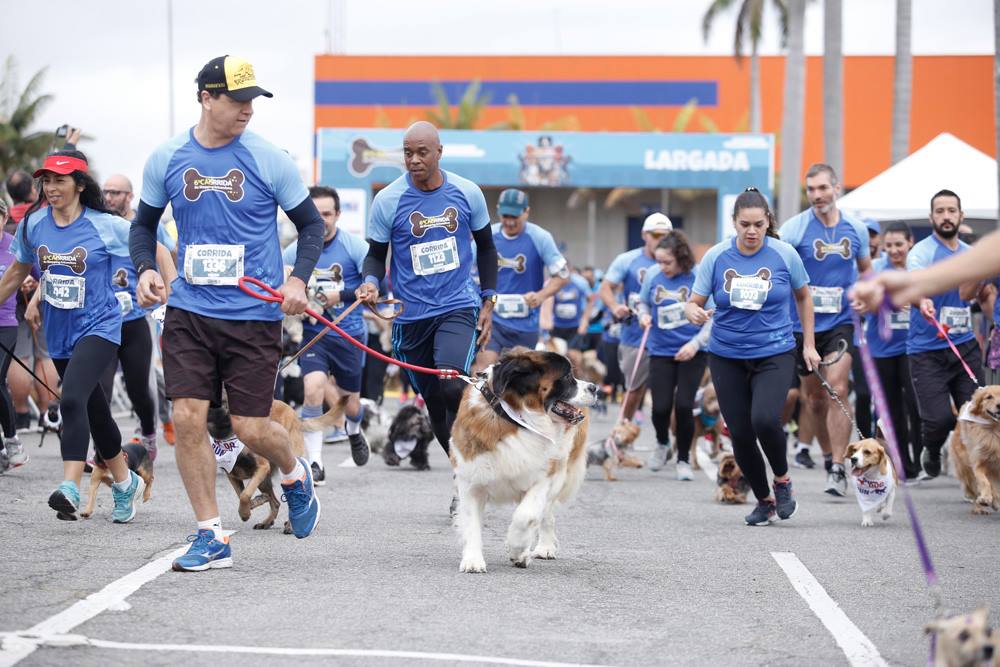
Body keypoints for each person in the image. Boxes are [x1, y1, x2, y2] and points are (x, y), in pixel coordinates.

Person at [130, 55, 324, 571]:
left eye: (252, 101)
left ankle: (295, 473)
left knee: (250, 426)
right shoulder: (167, 157)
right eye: (237, 101)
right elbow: (142, 227)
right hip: (190, 310)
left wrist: (298, 279)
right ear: (206, 98)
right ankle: (211, 535)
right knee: (189, 418)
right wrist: (147, 268)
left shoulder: (269, 158)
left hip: (254, 315)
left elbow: (309, 227)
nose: (246, 111)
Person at [355, 121, 497, 514]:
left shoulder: (467, 193)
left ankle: (471, 479)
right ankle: (461, 473)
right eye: (407, 153)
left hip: (457, 306)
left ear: (438, 152)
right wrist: (370, 282)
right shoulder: (389, 200)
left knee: (451, 383)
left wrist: (488, 299)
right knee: (434, 403)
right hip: (410, 318)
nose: (414, 160)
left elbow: (486, 249)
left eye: (422, 152)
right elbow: (374, 255)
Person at [0, 150, 145, 521]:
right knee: (95, 412)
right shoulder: (35, 225)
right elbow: (17, 272)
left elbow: (152, 246)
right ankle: (126, 482)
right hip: (60, 330)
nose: (50, 187)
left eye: (59, 180)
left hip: (100, 325)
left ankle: (69, 486)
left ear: (80, 185)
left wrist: (157, 278)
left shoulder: (105, 224)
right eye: (46, 180)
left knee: (72, 398)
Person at [686, 188, 819, 526]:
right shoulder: (716, 257)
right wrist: (694, 313)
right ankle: (764, 500)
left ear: (767, 223)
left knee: (763, 419)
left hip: (774, 351)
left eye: (758, 224)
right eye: (744, 224)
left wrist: (809, 344)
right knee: (740, 432)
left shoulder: (784, 254)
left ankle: (783, 481)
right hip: (726, 354)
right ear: (734, 223)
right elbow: (693, 301)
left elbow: (804, 297)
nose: (751, 231)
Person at [852, 190, 984, 479]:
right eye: (940, 211)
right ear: (931, 217)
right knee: (937, 419)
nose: (946, 216)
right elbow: (914, 281)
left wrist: (981, 278)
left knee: (977, 415)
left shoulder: (970, 254)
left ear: (961, 216)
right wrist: (921, 299)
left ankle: (981, 478)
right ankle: (932, 449)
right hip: (925, 350)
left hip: (964, 345)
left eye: (951, 210)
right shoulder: (922, 253)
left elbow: (970, 294)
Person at [779, 163, 871, 496]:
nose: (817, 196)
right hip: (803, 326)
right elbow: (778, 270)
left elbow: (867, 272)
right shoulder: (794, 229)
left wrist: (865, 296)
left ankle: (837, 468)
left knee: (838, 388)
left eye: (822, 188)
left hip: (841, 322)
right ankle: (829, 455)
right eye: (811, 190)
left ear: (837, 188)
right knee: (814, 400)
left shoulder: (856, 229)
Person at [284, 185, 370, 484]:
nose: (322, 221)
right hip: (314, 336)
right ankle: (315, 462)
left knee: (351, 405)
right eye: (315, 214)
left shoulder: (355, 247)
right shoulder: (295, 250)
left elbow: (374, 288)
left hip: (349, 335)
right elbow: (278, 280)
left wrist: (342, 295)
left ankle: (355, 430)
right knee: (313, 389)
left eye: (327, 214)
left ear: (338, 214)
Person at [637, 231, 711, 480]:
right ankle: (662, 443)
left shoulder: (698, 275)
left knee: (684, 406)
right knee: (660, 407)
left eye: (667, 262)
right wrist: (643, 315)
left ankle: (683, 459)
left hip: (692, 351)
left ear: (681, 258)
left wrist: (696, 343)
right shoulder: (653, 276)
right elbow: (643, 302)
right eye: (658, 261)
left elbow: (713, 314)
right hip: (660, 350)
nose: (662, 267)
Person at [473, 188, 567, 370]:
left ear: (526, 212)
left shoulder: (540, 237)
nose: (509, 221)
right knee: (485, 373)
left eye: (514, 216)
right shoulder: (487, 236)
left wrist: (541, 295)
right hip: (493, 319)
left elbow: (562, 276)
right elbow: (465, 266)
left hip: (526, 323)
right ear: (498, 209)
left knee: (520, 377)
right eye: (505, 215)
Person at [598, 212, 673, 423]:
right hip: (635, 336)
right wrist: (615, 306)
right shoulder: (627, 260)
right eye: (655, 234)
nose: (660, 239)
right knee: (633, 391)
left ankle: (672, 444)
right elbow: (605, 288)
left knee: (672, 396)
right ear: (644, 235)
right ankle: (620, 437)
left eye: (665, 234)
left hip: (670, 336)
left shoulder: (678, 261)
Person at [864, 222, 922, 480]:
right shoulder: (877, 269)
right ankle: (902, 465)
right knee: (890, 410)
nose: (894, 250)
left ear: (910, 242)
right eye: (888, 246)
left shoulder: (919, 268)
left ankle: (921, 461)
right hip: (882, 349)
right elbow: (862, 302)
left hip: (913, 347)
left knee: (916, 405)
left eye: (899, 244)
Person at [0, 198, 31, 472]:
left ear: (3, 218)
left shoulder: (14, 245)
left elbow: (42, 272)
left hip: (6, 323)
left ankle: (12, 440)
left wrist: (34, 286)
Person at [548, 266, 593, 369]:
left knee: (574, 356)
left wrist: (585, 321)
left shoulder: (580, 283)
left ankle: (578, 380)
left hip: (575, 327)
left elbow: (591, 299)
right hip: (557, 327)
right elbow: (546, 301)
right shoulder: (552, 283)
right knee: (556, 357)